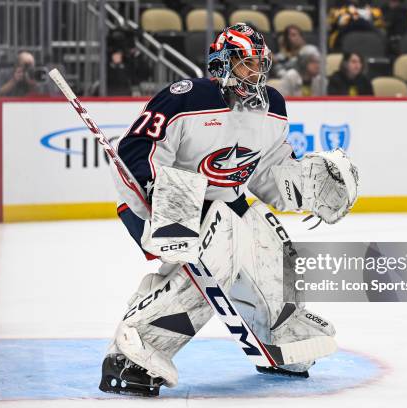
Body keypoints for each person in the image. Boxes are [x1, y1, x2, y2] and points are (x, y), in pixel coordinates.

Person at [98, 23, 359, 397]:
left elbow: (268, 173)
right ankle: (133, 351)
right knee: (215, 259)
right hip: (163, 202)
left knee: (270, 241)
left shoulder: (273, 108)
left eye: (258, 64)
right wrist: (168, 205)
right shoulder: (183, 98)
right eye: (245, 64)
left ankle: (279, 336)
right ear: (222, 64)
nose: (255, 73)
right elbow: (134, 152)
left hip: (225, 203)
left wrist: (307, 187)